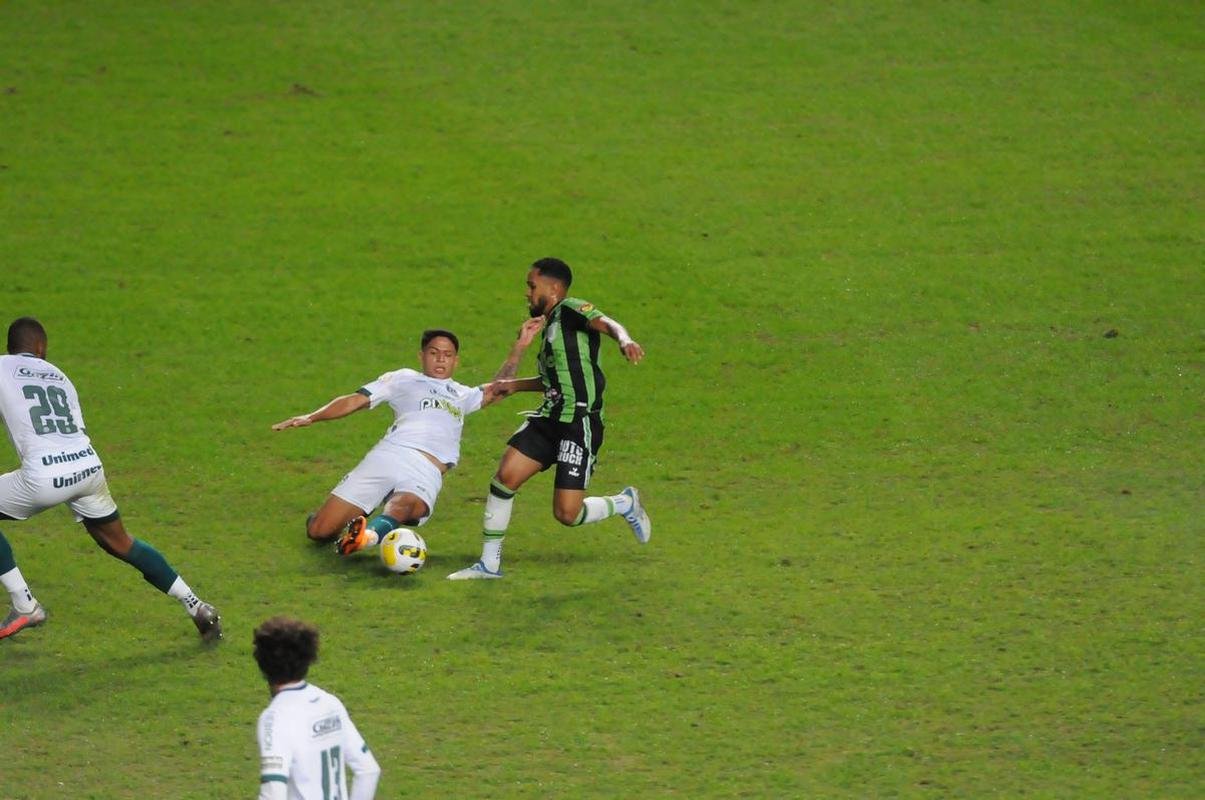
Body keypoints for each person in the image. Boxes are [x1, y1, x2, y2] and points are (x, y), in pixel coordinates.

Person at [0, 317, 221, 641]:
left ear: (10, 347)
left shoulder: (3, 367)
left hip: (43, 475)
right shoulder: (61, 377)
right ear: (41, 348)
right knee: (121, 541)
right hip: (88, 467)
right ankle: (197, 605)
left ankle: (25, 603)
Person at [448, 257, 652, 580]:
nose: (527, 294)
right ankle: (489, 565)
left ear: (554, 289)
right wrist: (516, 372)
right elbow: (553, 382)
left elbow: (607, 322)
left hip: (579, 422)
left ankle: (624, 503)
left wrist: (624, 339)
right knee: (505, 477)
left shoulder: (571, 310)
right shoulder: (548, 332)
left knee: (566, 513)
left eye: (532, 286)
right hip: (549, 418)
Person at [272, 325, 542, 553]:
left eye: (447, 355)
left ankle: (366, 537)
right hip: (390, 454)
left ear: (456, 361)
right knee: (320, 532)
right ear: (421, 356)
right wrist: (312, 416)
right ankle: (349, 515)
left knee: (404, 505)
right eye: (434, 353)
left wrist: (521, 345)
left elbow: (499, 389)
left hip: (425, 469)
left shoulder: (462, 394)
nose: (440, 360)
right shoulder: (403, 379)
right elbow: (355, 401)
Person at [254, 616, 381, 800]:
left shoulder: (275, 718)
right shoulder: (329, 703)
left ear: (263, 665)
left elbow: (273, 792)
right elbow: (368, 770)